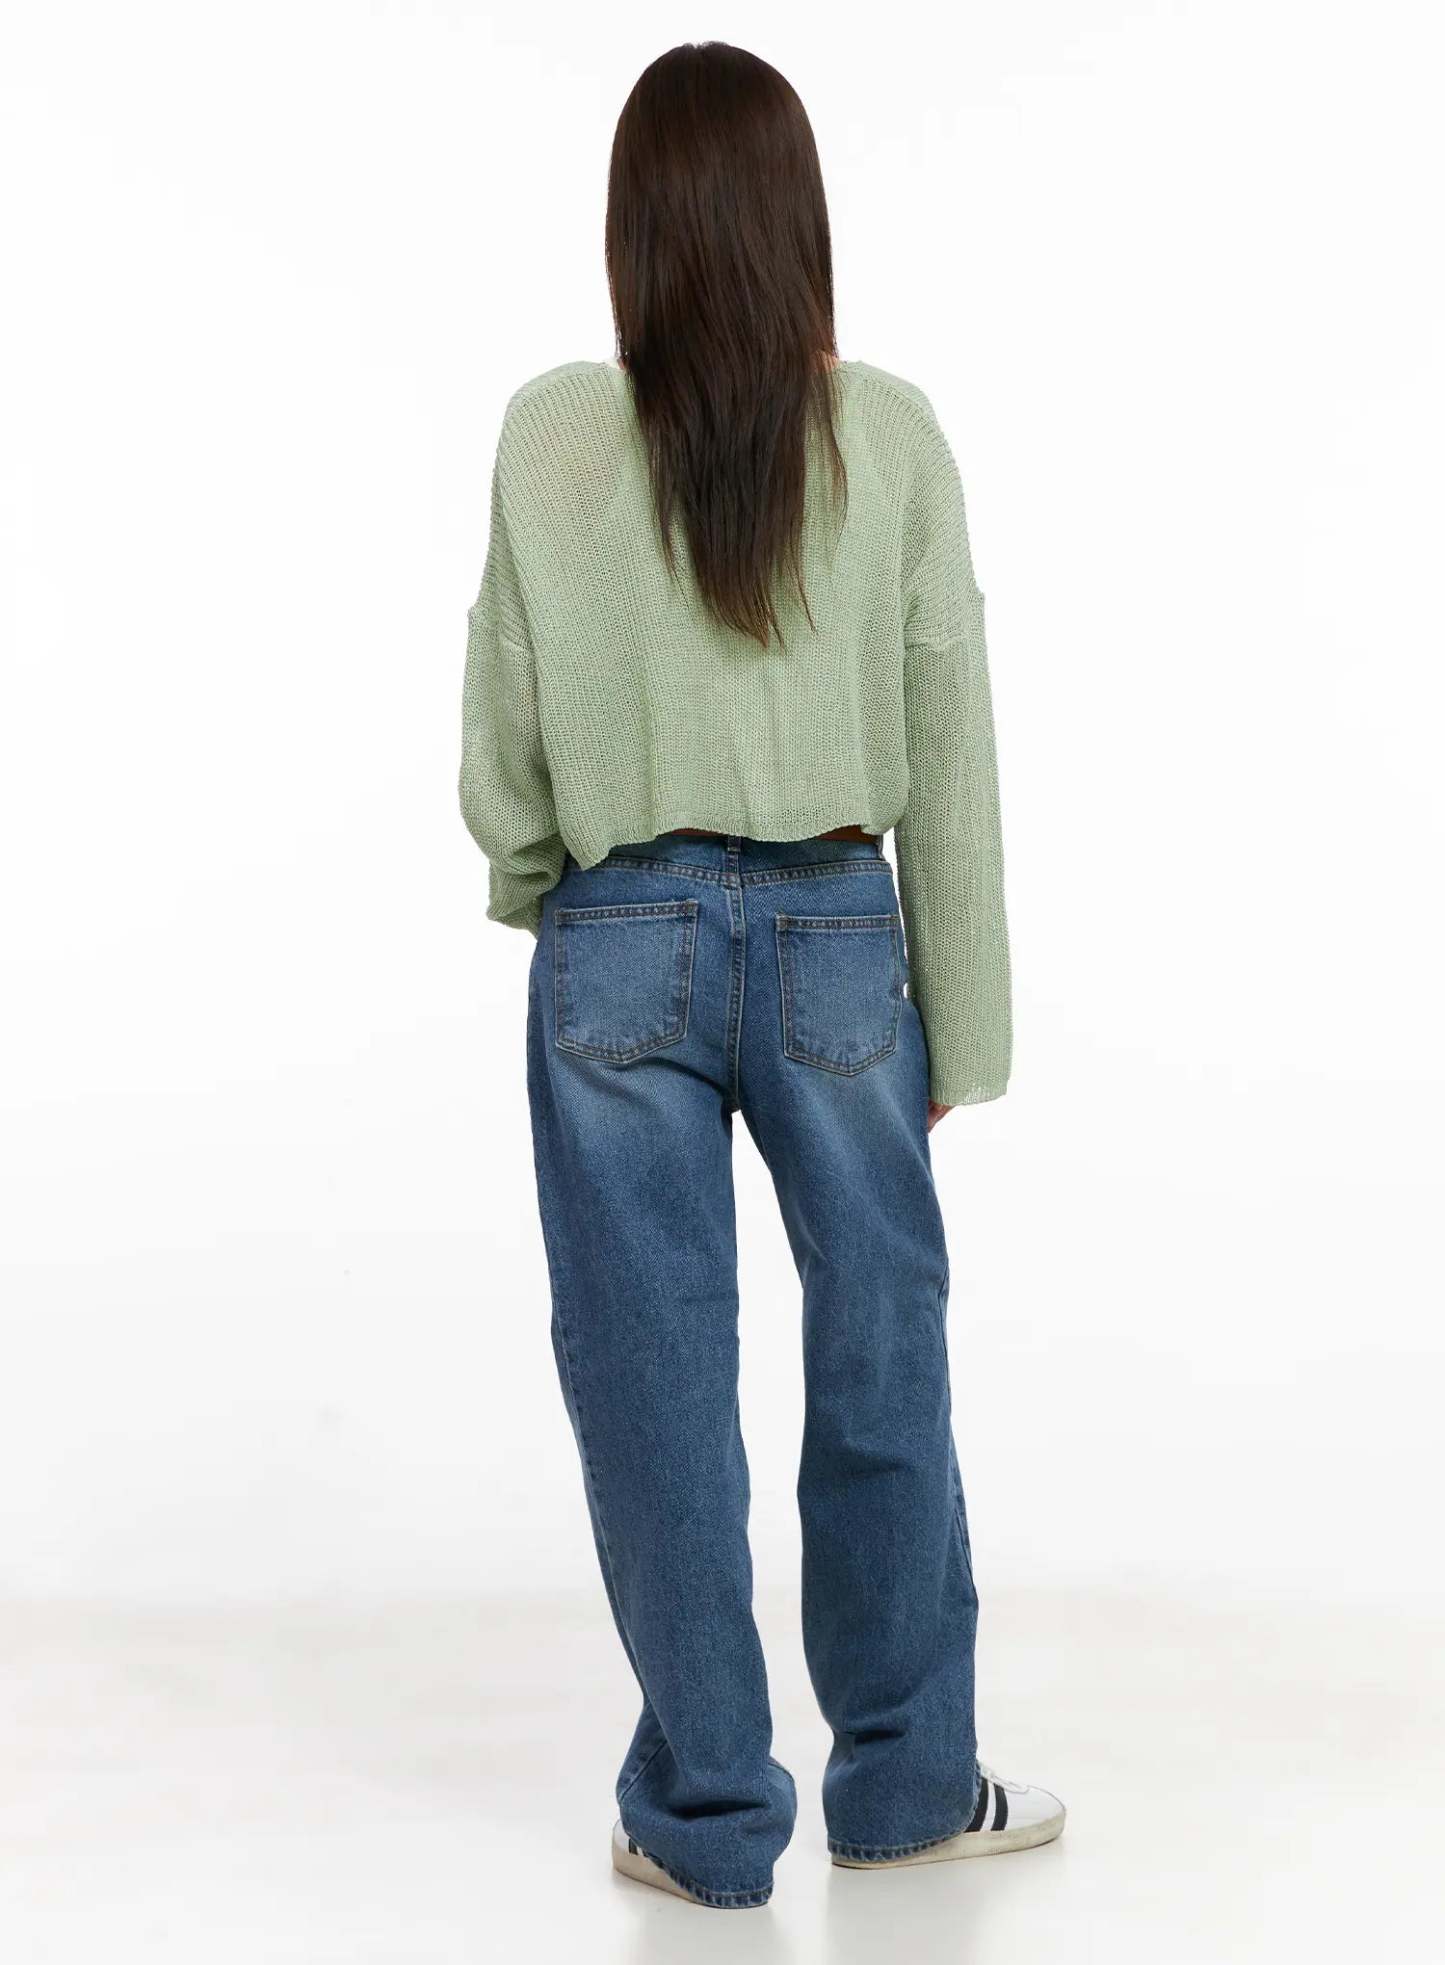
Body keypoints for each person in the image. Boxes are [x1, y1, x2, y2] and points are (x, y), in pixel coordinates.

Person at [458, 39, 1064, 1911]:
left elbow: (505, 728)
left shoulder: (554, 436)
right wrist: (964, 1018)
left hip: (618, 939)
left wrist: (550, 889)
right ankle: (905, 1782)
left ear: (632, 232)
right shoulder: (889, 437)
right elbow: (947, 744)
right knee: (882, 1350)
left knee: (648, 1376)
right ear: (801, 221)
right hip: (837, 937)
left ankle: (707, 1812)